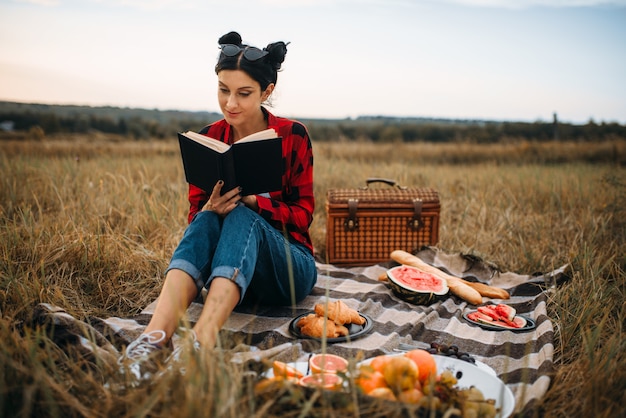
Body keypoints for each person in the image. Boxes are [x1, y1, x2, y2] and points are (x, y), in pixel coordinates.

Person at [118, 31, 317, 383]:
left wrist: (257, 203)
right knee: (210, 218)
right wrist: (209, 208)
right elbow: (197, 224)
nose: (231, 103)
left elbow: (303, 216)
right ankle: (154, 339)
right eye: (223, 90)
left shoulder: (293, 135)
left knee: (243, 212)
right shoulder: (209, 137)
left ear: (266, 92)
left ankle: (200, 341)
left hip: (289, 267)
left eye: (244, 93)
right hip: (231, 273)